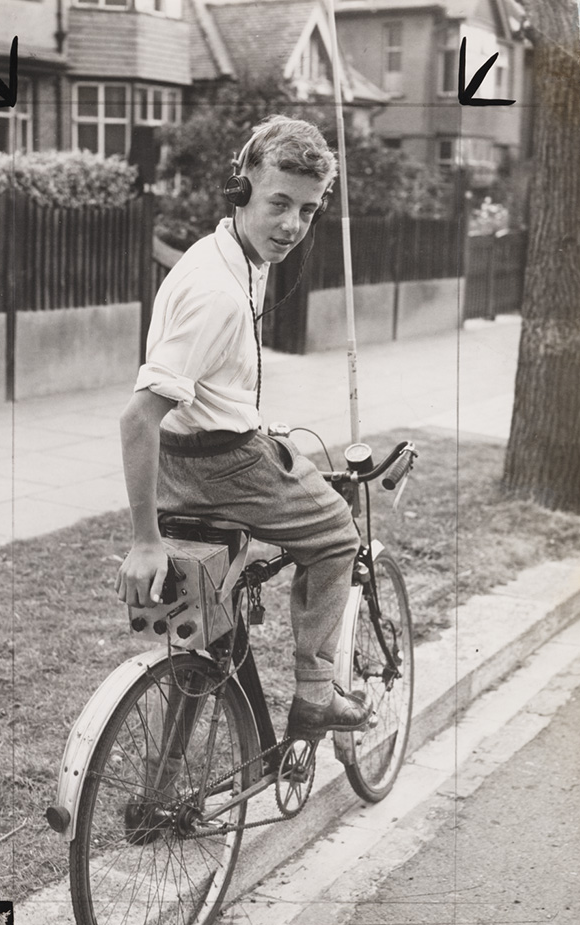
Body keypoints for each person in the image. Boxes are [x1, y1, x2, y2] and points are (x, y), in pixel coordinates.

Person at [115, 115, 370, 740]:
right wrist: (145, 539)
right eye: (279, 203)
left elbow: (204, 383)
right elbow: (137, 416)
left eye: (308, 212)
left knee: (216, 624)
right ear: (242, 188)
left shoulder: (229, 253)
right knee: (337, 536)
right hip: (222, 468)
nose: (291, 226)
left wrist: (248, 418)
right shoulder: (218, 291)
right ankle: (315, 693)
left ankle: (172, 772)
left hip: (195, 456)